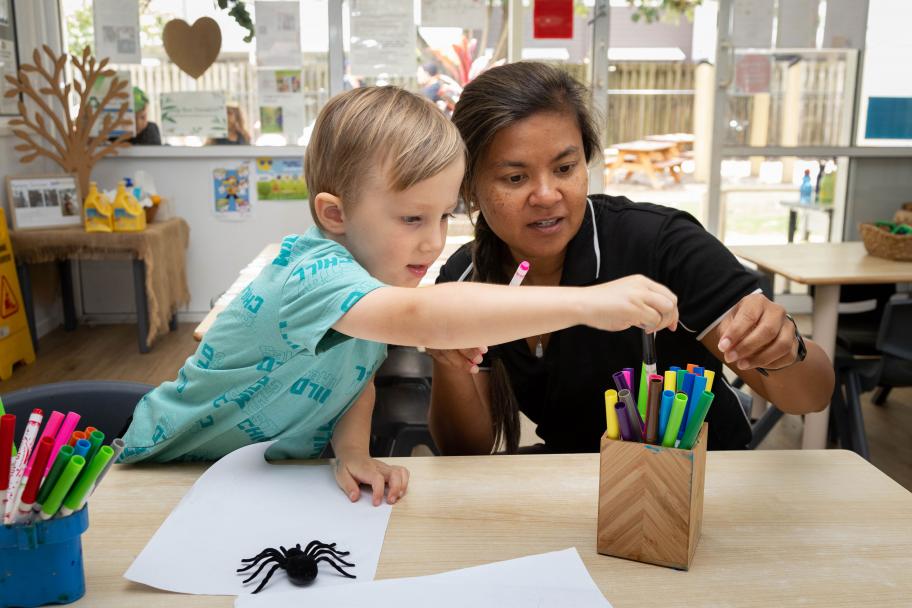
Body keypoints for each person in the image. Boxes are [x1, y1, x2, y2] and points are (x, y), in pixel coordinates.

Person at [119, 86, 680, 506]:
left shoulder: (374, 278)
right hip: (166, 472)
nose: (433, 240)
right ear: (334, 214)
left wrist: (355, 453)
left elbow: (353, 380)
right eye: (412, 217)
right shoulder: (315, 274)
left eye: (443, 217)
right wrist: (589, 302)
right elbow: (424, 318)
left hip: (256, 482)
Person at [429, 62, 835, 455]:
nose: (547, 195)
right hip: (575, 490)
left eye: (565, 168)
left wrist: (785, 352)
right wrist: (450, 363)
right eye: (515, 178)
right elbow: (463, 449)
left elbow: (811, 396)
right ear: (470, 186)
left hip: (704, 483)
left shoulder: (662, 245)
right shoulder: (466, 280)